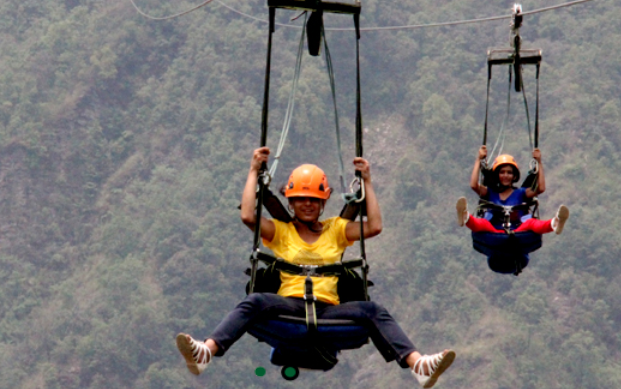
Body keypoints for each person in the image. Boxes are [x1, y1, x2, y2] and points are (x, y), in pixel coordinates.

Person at [176, 147, 456, 388]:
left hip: (330, 311)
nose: (307, 204)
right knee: (253, 302)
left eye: (313, 199)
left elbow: (374, 226)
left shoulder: (336, 229)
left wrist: (367, 182)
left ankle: (418, 365)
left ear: (323, 202)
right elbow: (248, 215)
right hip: (289, 309)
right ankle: (205, 353)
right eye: (301, 199)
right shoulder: (281, 231)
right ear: (291, 201)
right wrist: (252, 171)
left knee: (374, 311)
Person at [456, 145, 569, 235]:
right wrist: (478, 159)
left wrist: (539, 162)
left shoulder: (521, 193)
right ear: (497, 175)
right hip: (494, 231)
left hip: (518, 231)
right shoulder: (490, 192)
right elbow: (474, 185)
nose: (506, 175)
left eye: (509, 173)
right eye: (502, 172)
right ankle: (465, 216)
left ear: (514, 176)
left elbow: (541, 188)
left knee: (531, 223)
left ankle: (555, 222)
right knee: (483, 224)